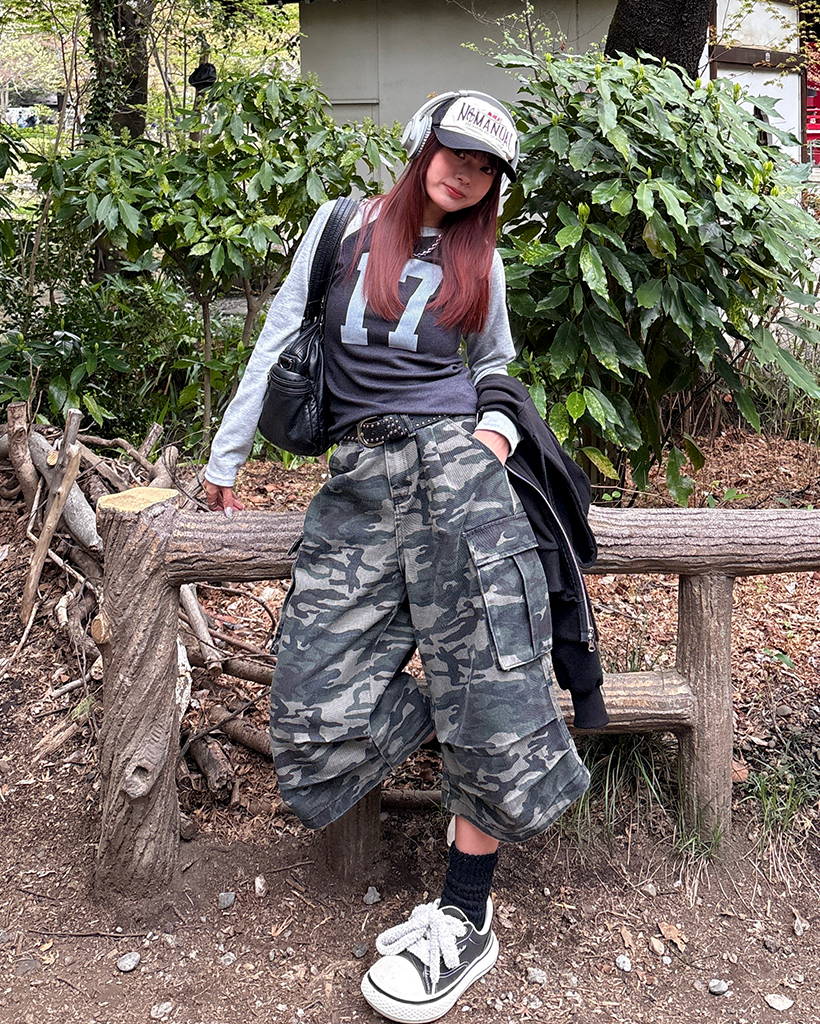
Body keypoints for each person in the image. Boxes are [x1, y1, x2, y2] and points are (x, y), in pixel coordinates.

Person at [204, 90, 593, 1023]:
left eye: (486, 168)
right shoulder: (342, 225)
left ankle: (465, 912)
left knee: (490, 691)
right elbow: (278, 337)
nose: (466, 174)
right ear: (423, 146)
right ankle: (485, 725)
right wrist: (226, 458)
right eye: (455, 153)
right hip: (357, 481)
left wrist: (494, 435)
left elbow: (495, 367)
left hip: (460, 477)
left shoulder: (482, 259)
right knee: (309, 727)